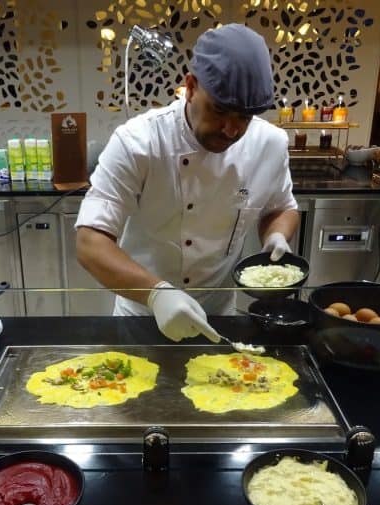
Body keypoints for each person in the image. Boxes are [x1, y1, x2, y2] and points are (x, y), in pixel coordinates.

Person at [75, 23, 299, 343]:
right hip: (143, 317)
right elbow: (89, 242)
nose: (231, 130)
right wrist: (157, 295)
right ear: (191, 87)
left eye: (244, 117)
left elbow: (282, 207)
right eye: (219, 110)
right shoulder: (139, 141)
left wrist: (277, 236)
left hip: (219, 319)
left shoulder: (270, 144)